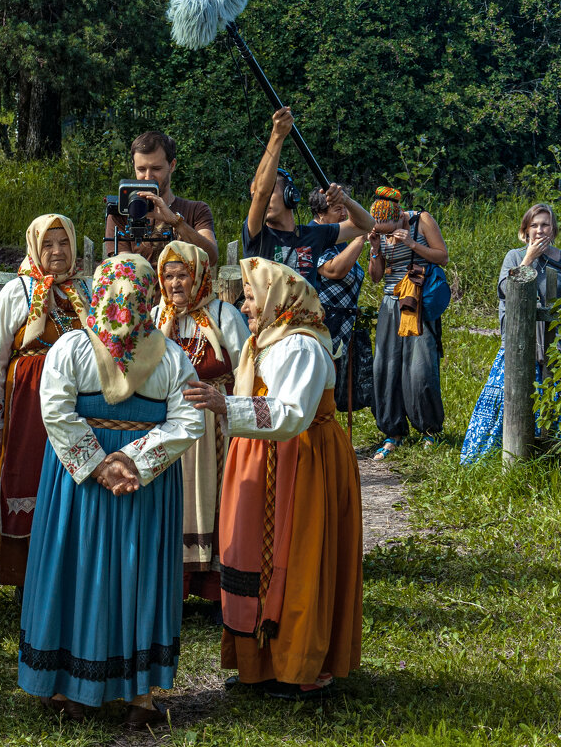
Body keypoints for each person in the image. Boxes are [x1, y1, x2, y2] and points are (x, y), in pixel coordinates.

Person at [18, 254, 203, 729]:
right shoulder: (170, 354)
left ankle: (74, 690)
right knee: (134, 573)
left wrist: (105, 464)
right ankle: (134, 696)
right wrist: (130, 462)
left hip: (87, 482)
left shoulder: (72, 348)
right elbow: (185, 420)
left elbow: (57, 409)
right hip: (136, 485)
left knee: (80, 572)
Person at [184, 257, 362, 701]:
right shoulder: (268, 341)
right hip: (267, 457)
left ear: (278, 299)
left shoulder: (298, 346)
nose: (244, 306)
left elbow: (293, 414)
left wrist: (227, 406)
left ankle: (298, 666)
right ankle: (258, 663)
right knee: (252, 557)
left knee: (295, 557)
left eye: (251, 296)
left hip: (300, 461)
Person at [0, 214, 91, 589]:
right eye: (48, 244)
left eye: (64, 243)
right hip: (28, 404)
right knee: (28, 475)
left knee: (74, 476)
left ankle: (68, 570)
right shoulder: (19, 292)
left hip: (77, 404)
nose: (58, 252)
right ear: (34, 247)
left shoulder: (84, 291)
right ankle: (24, 573)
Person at [152, 241, 250, 605]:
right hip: (169, 425)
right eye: (169, 276)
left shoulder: (225, 315)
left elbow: (245, 369)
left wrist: (233, 412)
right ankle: (172, 591)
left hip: (214, 428)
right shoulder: (155, 318)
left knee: (215, 498)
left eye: (183, 275)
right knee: (174, 501)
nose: (175, 284)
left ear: (200, 277)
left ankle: (215, 592)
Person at [461, 203, 561, 463]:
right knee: (509, 400)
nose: (540, 230)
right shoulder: (514, 257)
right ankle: (498, 456)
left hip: (554, 345)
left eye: (545, 224)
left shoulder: (560, 258)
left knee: (552, 398)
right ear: (525, 230)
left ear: (554, 229)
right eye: (534, 225)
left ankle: (549, 455)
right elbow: (506, 289)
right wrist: (529, 259)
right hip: (519, 344)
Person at [242, 108, 374, 287]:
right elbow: (261, 195)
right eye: (254, 197)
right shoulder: (256, 235)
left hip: (307, 316)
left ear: (291, 195)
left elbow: (366, 225)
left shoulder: (315, 234)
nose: (259, 201)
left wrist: (345, 200)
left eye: (272, 191)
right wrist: (277, 136)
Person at [367, 186, 449, 459]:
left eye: (388, 229)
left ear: (400, 216)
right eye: (380, 230)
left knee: (420, 368)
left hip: (415, 301)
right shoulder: (379, 234)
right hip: (390, 303)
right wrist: (376, 249)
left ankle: (430, 430)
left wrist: (413, 245)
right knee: (385, 367)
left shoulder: (420, 220)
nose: (386, 234)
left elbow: (443, 256)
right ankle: (394, 432)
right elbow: (376, 277)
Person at [105, 131, 218, 265]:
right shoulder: (121, 211)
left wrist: (176, 222)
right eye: (141, 169)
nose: (148, 176)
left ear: (172, 165)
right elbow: (126, 270)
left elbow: (211, 258)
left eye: (156, 168)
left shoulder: (197, 210)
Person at [310, 185, 373, 413]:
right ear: (320, 212)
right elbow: (334, 271)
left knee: (332, 388)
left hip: (341, 325)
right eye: (338, 209)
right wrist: (360, 239)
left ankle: (331, 440)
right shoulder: (313, 236)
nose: (344, 215)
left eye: (344, 208)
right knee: (318, 387)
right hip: (322, 325)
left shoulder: (338, 236)